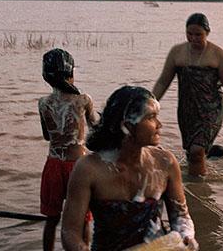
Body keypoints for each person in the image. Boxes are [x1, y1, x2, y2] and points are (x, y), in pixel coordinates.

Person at [61, 86, 197, 251]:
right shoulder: (88, 169)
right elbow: (70, 231)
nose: (159, 125)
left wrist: (186, 236)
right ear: (128, 126)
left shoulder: (165, 162)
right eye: (151, 117)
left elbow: (180, 216)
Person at [152, 12, 223, 177]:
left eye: (198, 34)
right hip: (187, 107)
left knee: (197, 151)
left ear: (207, 33)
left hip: (211, 108)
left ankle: (199, 189)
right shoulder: (177, 52)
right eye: (189, 34)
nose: (193, 38)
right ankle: (193, 184)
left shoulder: (218, 54)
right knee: (192, 153)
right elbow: (163, 82)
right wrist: (150, 107)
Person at [38, 48, 97, 250]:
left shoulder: (44, 103)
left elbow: (47, 135)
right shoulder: (83, 100)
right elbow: (96, 130)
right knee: (84, 218)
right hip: (78, 166)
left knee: (51, 219)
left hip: (53, 164)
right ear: (71, 74)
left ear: (47, 76)